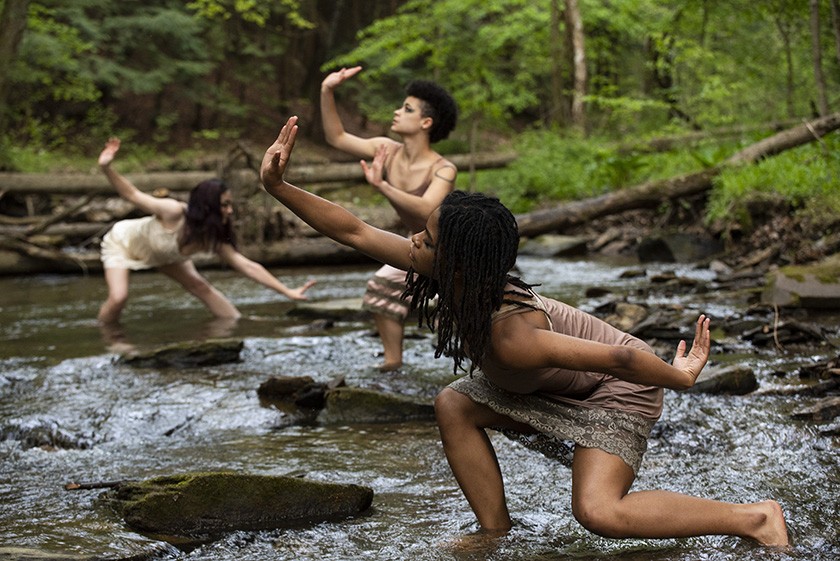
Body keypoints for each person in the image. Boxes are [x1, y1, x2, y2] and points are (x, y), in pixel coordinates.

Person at [259, 116, 790, 547]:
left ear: (460, 263)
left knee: (599, 513)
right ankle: (495, 534)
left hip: (615, 391)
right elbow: (351, 228)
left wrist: (682, 378)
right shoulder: (449, 271)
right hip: (549, 387)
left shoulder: (513, 332)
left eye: (427, 234)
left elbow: (622, 361)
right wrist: (278, 186)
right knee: (455, 403)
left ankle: (755, 518)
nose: (413, 238)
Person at [321, 66, 458, 371]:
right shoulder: (387, 150)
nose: (397, 112)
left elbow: (427, 209)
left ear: (426, 122)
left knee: (460, 312)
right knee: (381, 284)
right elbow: (337, 137)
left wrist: (382, 186)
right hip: (413, 246)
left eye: (406, 108)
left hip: (448, 251)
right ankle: (393, 362)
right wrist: (327, 91)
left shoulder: (444, 168)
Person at [96, 137, 316, 325]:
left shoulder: (213, 237)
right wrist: (107, 167)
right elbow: (132, 195)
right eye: (224, 205)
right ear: (207, 206)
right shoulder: (173, 212)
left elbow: (249, 267)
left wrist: (287, 292)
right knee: (119, 298)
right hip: (123, 243)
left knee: (200, 286)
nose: (230, 211)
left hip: (162, 255)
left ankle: (234, 324)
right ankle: (106, 339)